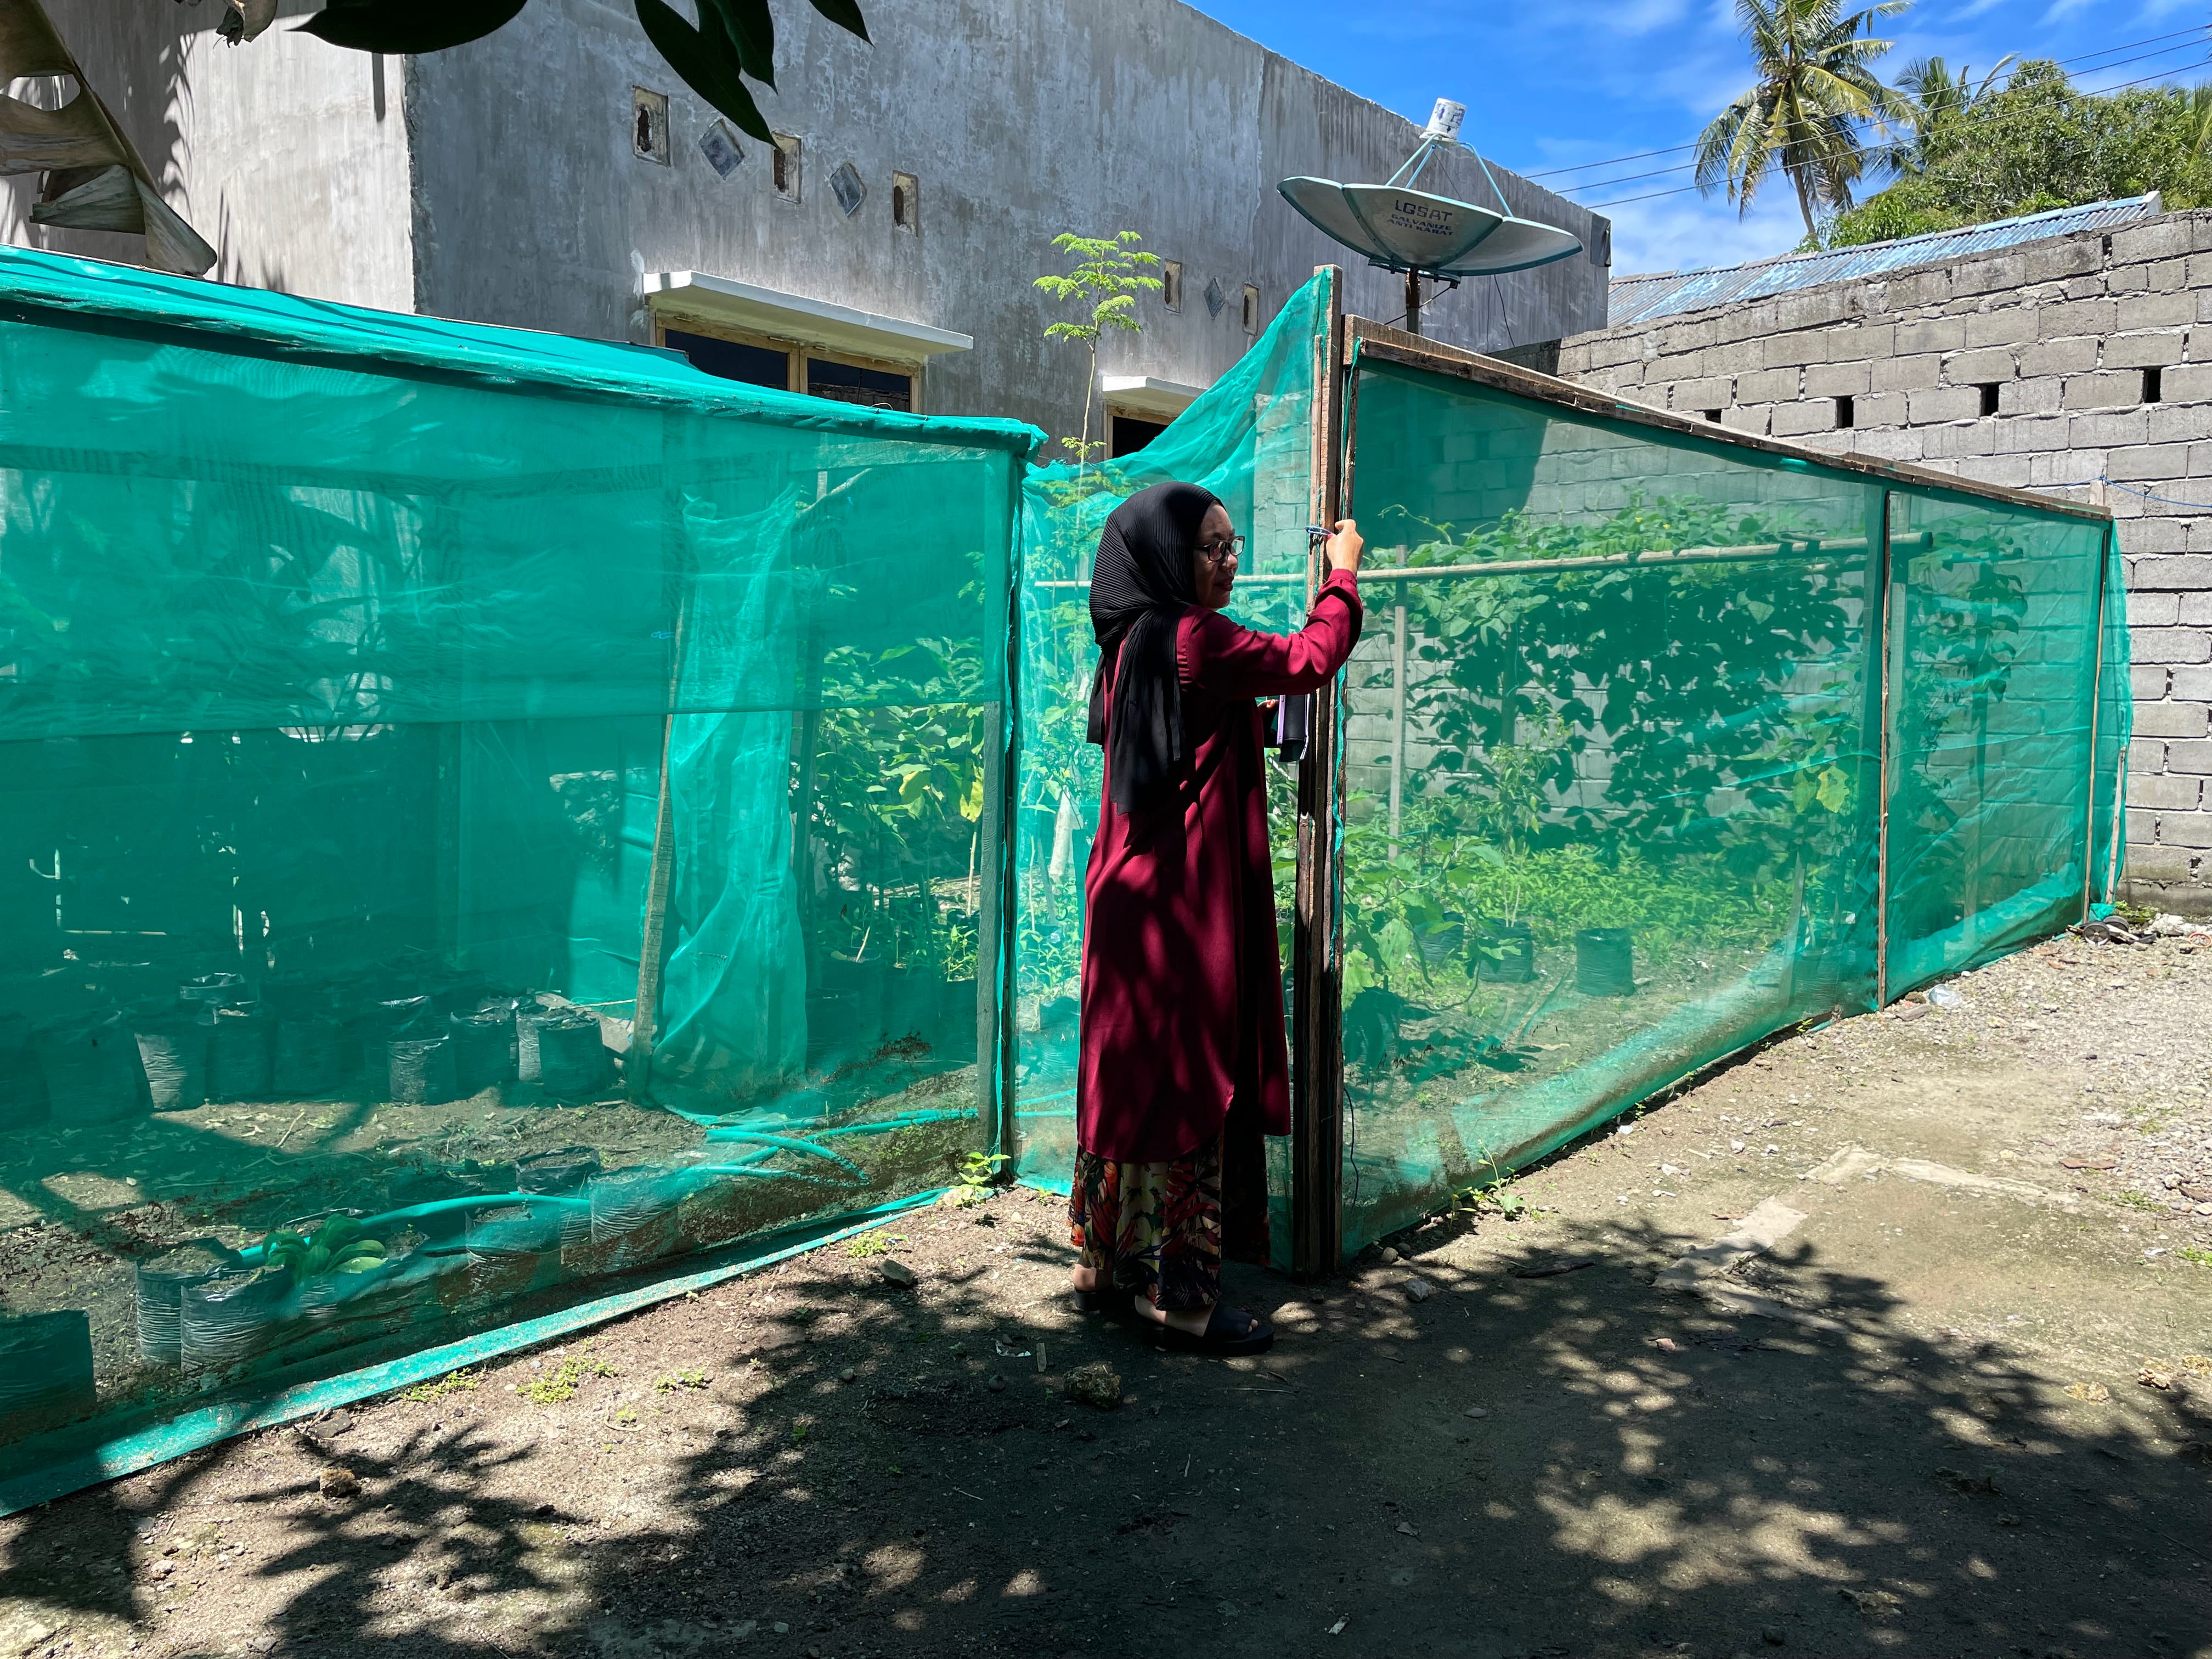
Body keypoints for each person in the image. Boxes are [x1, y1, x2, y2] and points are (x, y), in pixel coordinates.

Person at [1067, 480, 1364, 1356]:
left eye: (1234, 544)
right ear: (1167, 557)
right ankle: (1183, 1302)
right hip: (1181, 906)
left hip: (1125, 896)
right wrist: (1341, 577)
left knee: (1127, 1074)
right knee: (1193, 1078)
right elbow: (1310, 657)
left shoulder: (1131, 643)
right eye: (1211, 547)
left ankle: (1104, 1266)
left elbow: (1208, 723)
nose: (1229, 559)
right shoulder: (1194, 637)